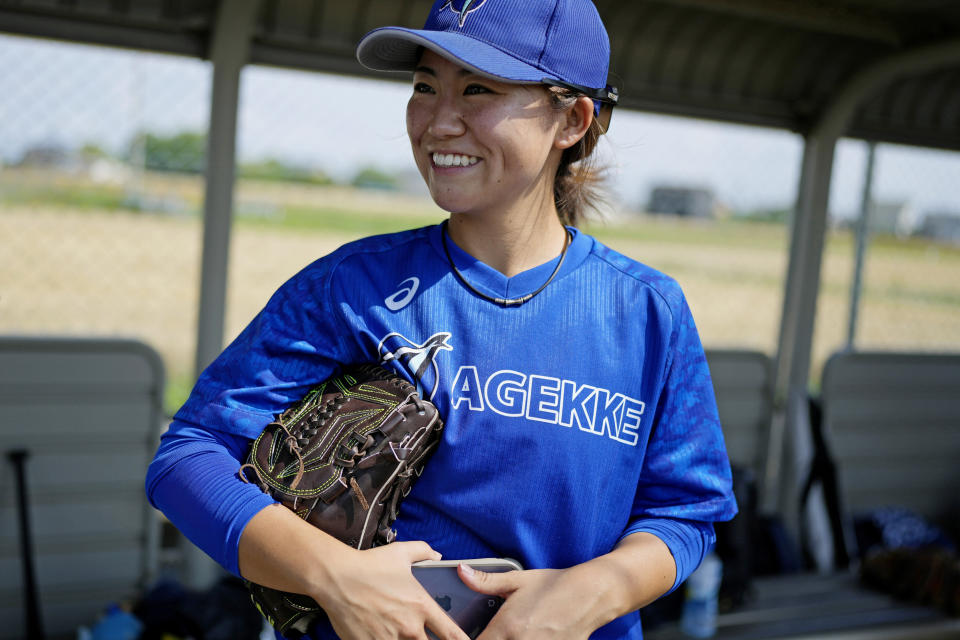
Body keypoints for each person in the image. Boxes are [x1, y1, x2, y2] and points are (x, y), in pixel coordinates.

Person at [145, 0, 737, 638]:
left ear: (573, 119)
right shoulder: (350, 288)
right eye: (425, 87)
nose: (439, 121)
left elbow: (684, 510)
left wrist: (589, 593)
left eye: (478, 89)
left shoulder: (648, 311)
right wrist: (335, 576)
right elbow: (188, 458)